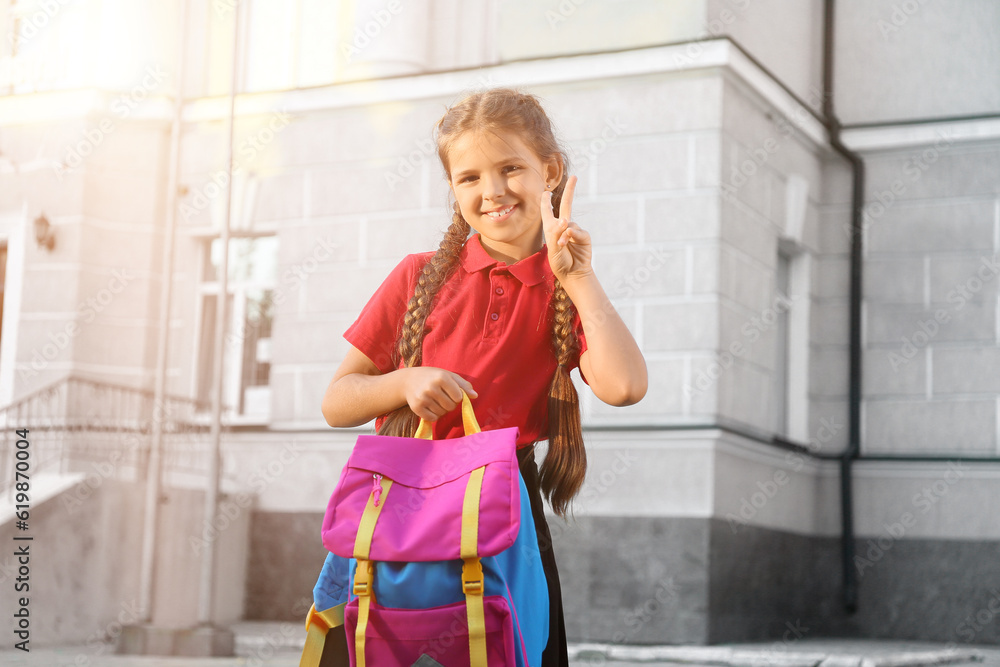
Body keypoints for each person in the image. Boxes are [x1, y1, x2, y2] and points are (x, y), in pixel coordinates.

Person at [318, 87, 648, 666]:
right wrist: (403, 382)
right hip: (399, 504)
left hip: (503, 513)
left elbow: (624, 387)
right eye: (469, 177)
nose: (492, 190)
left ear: (549, 171)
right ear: (454, 190)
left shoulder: (564, 291)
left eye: (510, 168)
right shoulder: (417, 276)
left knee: (502, 647)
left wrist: (579, 280)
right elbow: (337, 401)